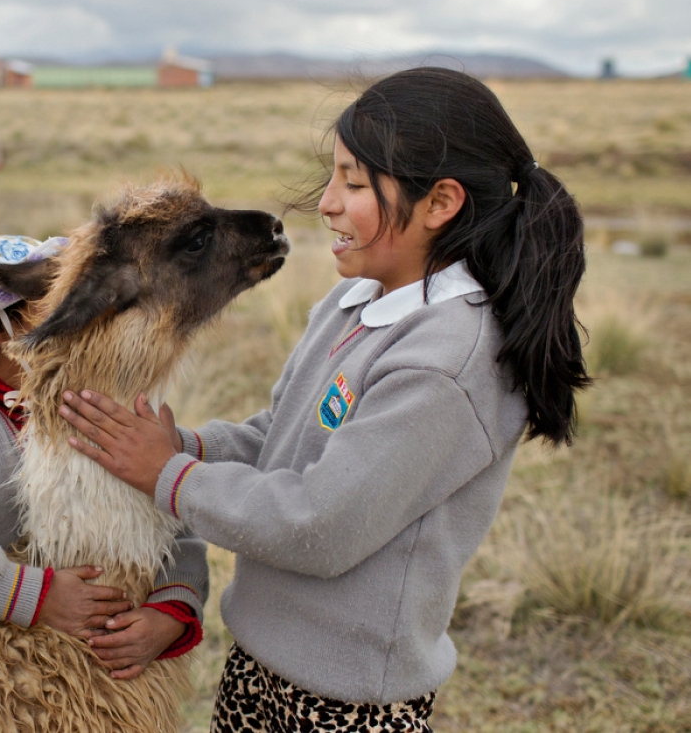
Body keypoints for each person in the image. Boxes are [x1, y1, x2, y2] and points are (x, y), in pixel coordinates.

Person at [57, 67, 589, 730]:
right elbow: (282, 437)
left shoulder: (446, 363)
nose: (327, 203)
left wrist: (169, 476)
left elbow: (319, 526)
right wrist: (186, 446)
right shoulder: (353, 302)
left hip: (347, 700)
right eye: (332, 176)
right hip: (262, 658)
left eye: (355, 183)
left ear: (441, 202)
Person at [0, 235, 207, 680]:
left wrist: (170, 610)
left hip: (93, 670)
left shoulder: (89, 407)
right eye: (50, 303)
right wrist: (35, 596)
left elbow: (164, 518)